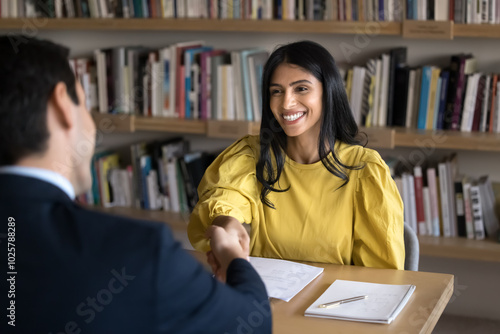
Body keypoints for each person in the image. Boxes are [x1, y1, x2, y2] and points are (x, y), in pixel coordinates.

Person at [0, 36, 271, 334]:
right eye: (85, 105)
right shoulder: (136, 252)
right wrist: (234, 258)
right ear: (63, 105)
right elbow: (252, 322)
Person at [188, 40, 405, 277]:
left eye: (301, 88)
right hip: (267, 302)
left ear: (328, 91)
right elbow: (225, 196)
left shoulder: (365, 170)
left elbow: (382, 275)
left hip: (334, 307)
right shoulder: (252, 155)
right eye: (276, 91)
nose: (286, 103)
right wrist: (227, 221)